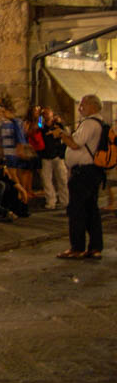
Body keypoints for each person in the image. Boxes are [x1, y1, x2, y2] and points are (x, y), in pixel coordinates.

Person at [52, 94, 105, 259]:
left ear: (92, 106)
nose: (80, 108)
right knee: (91, 210)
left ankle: (77, 247)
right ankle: (95, 247)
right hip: (92, 172)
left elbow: (75, 144)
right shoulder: (99, 123)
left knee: (77, 210)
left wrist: (61, 134)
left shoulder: (89, 123)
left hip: (83, 173)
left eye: (83, 105)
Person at [38, 107, 68, 210]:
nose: (45, 115)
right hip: (46, 156)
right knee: (46, 180)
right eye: (44, 114)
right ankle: (51, 202)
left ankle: (65, 201)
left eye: (47, 113)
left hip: (57, 156)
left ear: (52, 114)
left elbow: (65, 135)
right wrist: (39, 117)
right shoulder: (41, 126)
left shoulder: (57, 125)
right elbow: (38, 126)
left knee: (62, 179)